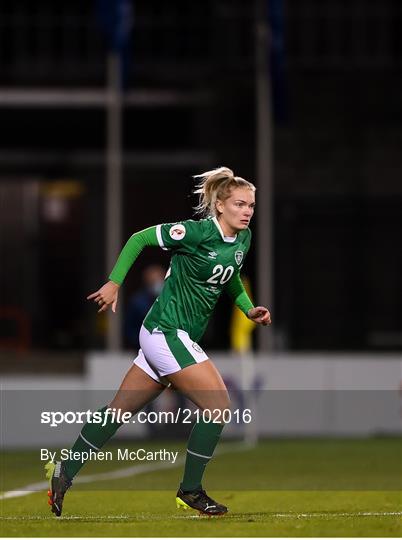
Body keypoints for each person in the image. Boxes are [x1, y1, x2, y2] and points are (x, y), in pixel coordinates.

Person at [45, 166, 271, 517]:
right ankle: (191, 491)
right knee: (219, 406)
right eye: (240, 204)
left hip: (169, 335)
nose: (247, 211)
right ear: (220, 205)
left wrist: (246, 309)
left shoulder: (243, 239)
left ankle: (64, 471)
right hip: (166, 330)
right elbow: (139, 238)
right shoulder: (195, 232)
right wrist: (114, 282)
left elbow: (231, 278)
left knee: (118, 411)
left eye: (252, 206)